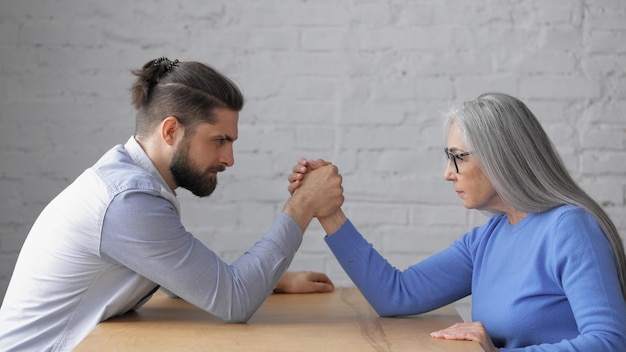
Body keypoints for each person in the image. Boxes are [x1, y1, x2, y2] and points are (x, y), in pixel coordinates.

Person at [0, 57, 343, 351]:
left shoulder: (133, 178)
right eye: (219, 140)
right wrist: (303, 206)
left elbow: (177, 278)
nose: (229, 158)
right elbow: (234, 301)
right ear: (170, 132)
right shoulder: (127, 200)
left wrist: (272, 281)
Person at [288, 92, 626, 351]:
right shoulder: (488, 239)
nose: (447, 174)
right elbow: (396, 294)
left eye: (457, 158)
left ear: (501, 157)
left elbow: (610, 342)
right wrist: (328, 211)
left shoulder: (570, 228)